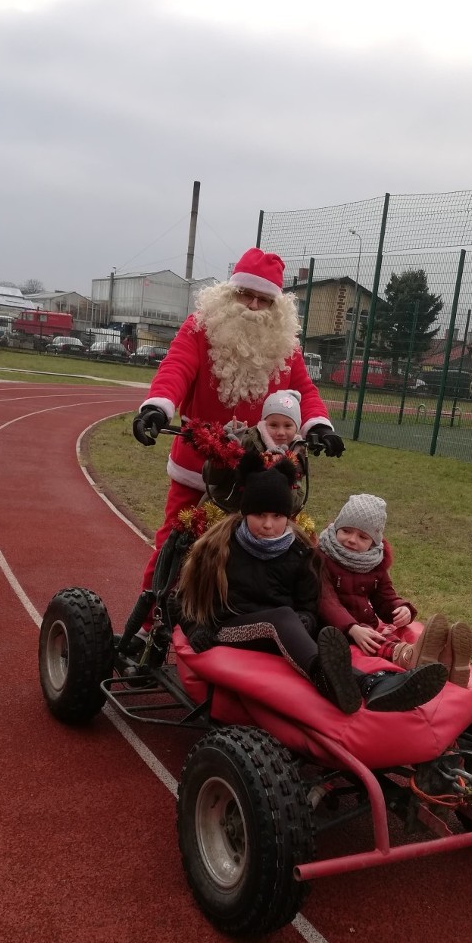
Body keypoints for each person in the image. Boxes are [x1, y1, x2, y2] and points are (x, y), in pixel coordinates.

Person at [128, 246, 345, 657]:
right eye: (247, 295)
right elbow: (175, 368)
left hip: (260, 471)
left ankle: (265, 628)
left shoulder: (283, 345)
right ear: (229, 295)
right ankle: (149, 624)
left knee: (275, 551)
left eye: (264, 300)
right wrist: (158, 407)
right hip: (200, 466)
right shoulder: (200, 329)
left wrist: (318, 425)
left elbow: (305, 390)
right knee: (174, 543)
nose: (253, 306)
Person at [176, 455, 448, 715]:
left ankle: (374, 683)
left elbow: (308, 606)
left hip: (281, 633)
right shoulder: (219, 547)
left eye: (277, 516)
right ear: (246, 512)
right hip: (228, 628)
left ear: (288, 516)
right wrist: (196, 629)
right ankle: (330, 682)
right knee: (281, 619)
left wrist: (305, 622)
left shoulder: (300, 553)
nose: (268, 525)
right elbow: (180, 598)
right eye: (259, 515)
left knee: (304, 627)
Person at [317, 493, 472, 687]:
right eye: (346, 531)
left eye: (362, 536)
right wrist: (352, 627)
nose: (351, 540)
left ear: (373, 543)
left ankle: (445, 662)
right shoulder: (322, 558)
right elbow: (326, 600)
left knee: (386, 636)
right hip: (337, 628)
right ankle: (409, 657)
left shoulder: (373, 564)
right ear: (336, 528)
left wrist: (401, 609)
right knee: (375, 640)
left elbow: (385, 596)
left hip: (366, 624)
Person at [203, 388, 308, 514]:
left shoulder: (298, 455)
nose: (281, 432)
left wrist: (283, 470)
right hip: (225, 514)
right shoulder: (247, 441)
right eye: (273, 425)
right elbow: (210, 478)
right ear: (264, 423)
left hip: (271, 525)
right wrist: (227, 449)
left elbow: (294, 505)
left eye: (288, 426)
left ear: (297, 427)